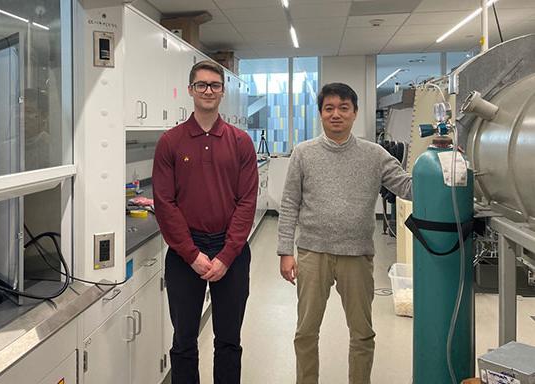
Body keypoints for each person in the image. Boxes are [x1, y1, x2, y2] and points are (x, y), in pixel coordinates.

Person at [277, 82, 412, 384]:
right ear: (321, 113)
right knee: (306, 332)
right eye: (329, 108)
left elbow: (407, 187)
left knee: (362, 333)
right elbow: (289, 203)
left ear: (354, 113)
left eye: (343, 108)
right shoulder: (303, 153)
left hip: (357, 255)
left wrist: (444, 170)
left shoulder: (374, 154)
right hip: (313, 254)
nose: (336, 114)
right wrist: (286, 251)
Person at [153, 60, 258, 384]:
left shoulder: (240, 142)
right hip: (187, 253)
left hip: (232, 251)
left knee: (228, 340)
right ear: (190, 91)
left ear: (222, 92)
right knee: (183, 341)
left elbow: (247, 201)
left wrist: (227, 256)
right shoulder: (170, 142)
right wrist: (192, 254)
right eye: (202, 85)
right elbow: (164, 203)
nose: (208, 90)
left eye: (214, 85)